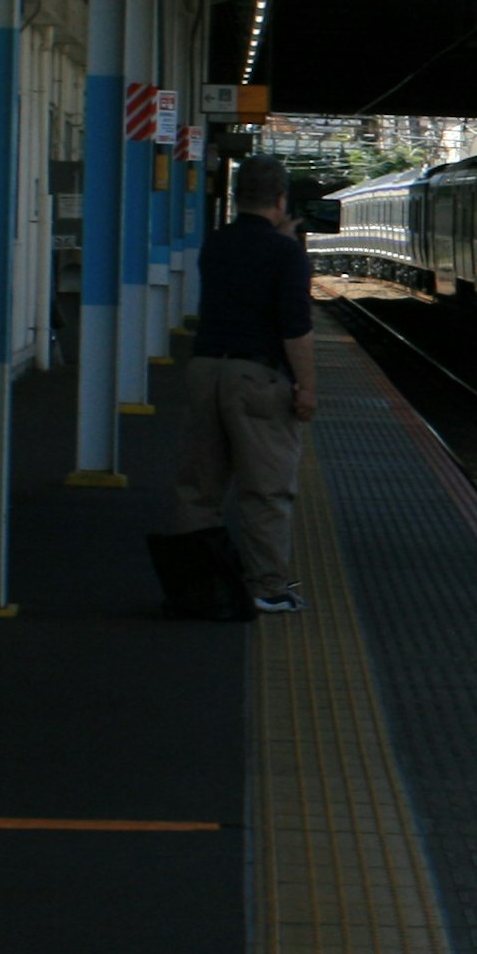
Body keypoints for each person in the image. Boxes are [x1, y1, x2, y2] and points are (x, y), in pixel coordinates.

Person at [175, 155, 316, 616]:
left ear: (236, 198)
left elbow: (242, 273)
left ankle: (198, 584)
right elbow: (295, 327)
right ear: (281, 199)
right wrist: (306, 388)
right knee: (266, 486)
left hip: (204, 370)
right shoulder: (286, 253)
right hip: (256, 377)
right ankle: (268, 586)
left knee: (201, 486)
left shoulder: (214, 243)